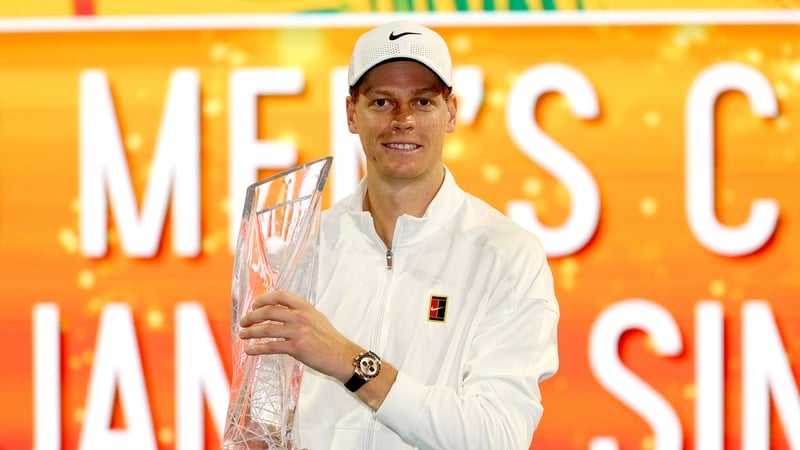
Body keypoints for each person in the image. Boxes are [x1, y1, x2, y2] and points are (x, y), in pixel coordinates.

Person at [238, 20, 560, 449]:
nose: (403, 120)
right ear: (352, 113)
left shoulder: (507, 255)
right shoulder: (298, 248)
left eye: (423, 101)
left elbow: (496, 436)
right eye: (383, 101)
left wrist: (348, 361)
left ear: (452, 113)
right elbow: (262, 423)